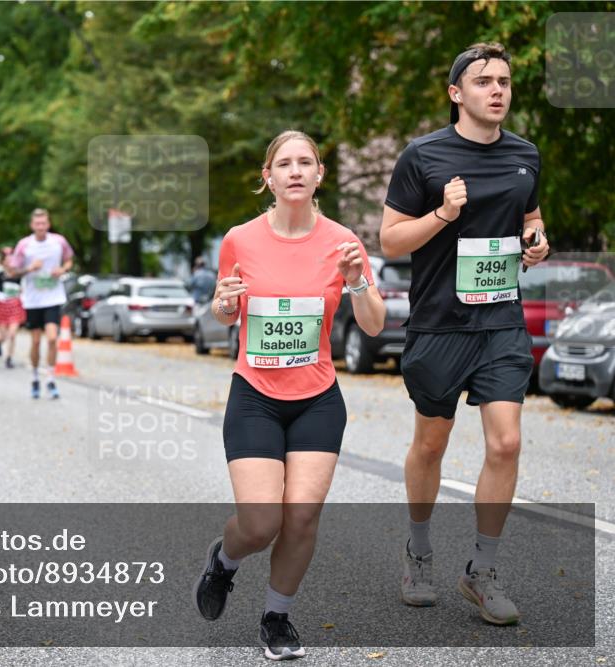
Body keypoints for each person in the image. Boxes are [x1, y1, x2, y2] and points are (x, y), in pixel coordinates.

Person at [193, 130, 385, 661]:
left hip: (317, 397)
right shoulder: (240, 239)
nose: (295, 170)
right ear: (268, 178)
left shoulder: (343, 241)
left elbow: (372, 325)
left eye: (306, 162)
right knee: (260, 524)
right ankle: (223, 563)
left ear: (320, 174)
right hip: (255, 394)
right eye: (284, 163)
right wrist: (223, 307)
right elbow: (225, 310)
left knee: (300, 516)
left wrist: (355, 281)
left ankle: (276, 617)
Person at [379, 43, 549, 625]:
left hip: (500, 321)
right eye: (484, 82)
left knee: (505, 442)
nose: (497, 90)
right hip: (438, 325)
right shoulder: (422, 156)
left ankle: (481, 571)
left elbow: (529, 215)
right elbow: (391, 241)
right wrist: (444, 215)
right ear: (457, 93)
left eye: (504, 81)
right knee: (431, 445)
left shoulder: (525, 155)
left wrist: (535, 238)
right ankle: (419, 551)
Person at [8, 208, 74, 399]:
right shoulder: (24, 245)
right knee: (36, 341)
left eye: (43, 223)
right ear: (32, 225)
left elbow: (69, 260)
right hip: (33, 300)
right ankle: (35, 376)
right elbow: (13, 271)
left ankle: (50, 378)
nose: (40, 227)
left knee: (53, 338)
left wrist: (62, 269)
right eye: (37, 224)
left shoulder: (59, 242)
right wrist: (30, 268)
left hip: (53, 297)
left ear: (48, 224)